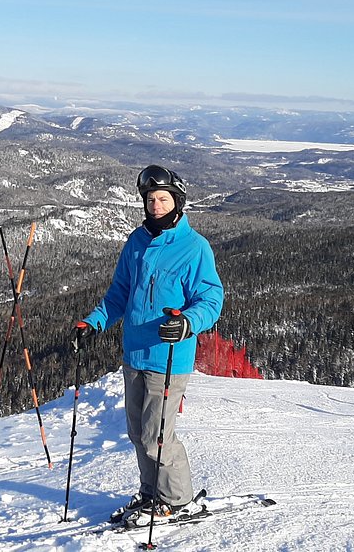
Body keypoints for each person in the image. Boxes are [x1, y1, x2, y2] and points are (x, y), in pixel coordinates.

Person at [74, 164, 224, 525]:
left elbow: (211, 299)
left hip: (169, 356)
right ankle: (151, 490)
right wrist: (94, 321)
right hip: (134, 353)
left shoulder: (194, 248)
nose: (156, 205)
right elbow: (120, 293)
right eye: (150, 199)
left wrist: (187, 322)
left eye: (163, 198)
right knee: (137, 433)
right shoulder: (137, 242)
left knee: (158, 436)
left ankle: (176, 498)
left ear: (177, 201)